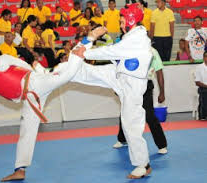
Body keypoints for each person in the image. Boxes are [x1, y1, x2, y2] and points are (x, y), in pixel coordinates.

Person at [0, 27, 104, 181]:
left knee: (66, 74)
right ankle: (20, 170)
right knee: (27, 131)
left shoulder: (1, 59)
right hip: (30, 99)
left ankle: (87, 40)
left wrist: (37, 75)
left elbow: (23, 65)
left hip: (35, 83)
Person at [72, 3, 153, 178]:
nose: (121, 24)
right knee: (87, 73)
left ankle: (143, 164)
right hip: (119, 75)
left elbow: (113, 51)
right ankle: (67, 72)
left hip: (132, 85)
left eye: (123, 21)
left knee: (131, 124)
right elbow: (117, 56)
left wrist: (86, 53)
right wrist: (84, 52)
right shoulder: (131, 36)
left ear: (132, 20)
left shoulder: (138, 37)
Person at [113, 47, 168, 154]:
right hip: (128, 85)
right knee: (125, 113)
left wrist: (162, 92)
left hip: (145, 85)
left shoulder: (152, 51)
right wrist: (117, 87)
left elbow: (159, 71)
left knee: (150, 116)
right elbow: (119, 69)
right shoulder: (127, 49)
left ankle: (162, 145)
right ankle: (122, 139)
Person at [195, 51, 207, 120]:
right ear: (203, 58)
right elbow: (197, 82)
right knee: (204, 94)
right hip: (203, 88)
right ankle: (203, 115)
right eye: (206, 56)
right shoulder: (199, 67)